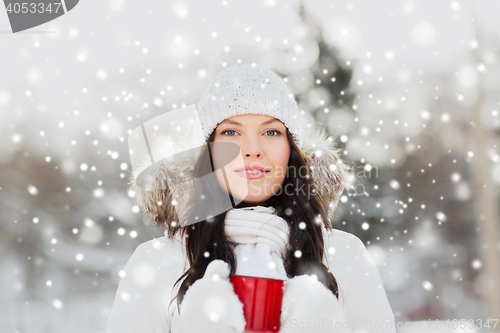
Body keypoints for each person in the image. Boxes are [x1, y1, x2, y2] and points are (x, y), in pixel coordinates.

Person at [106, 43, 397, 333]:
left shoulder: (343, 254)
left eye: (271, 132)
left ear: (291, 150)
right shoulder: (156, 262)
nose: (252, 150)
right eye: (231, 132)